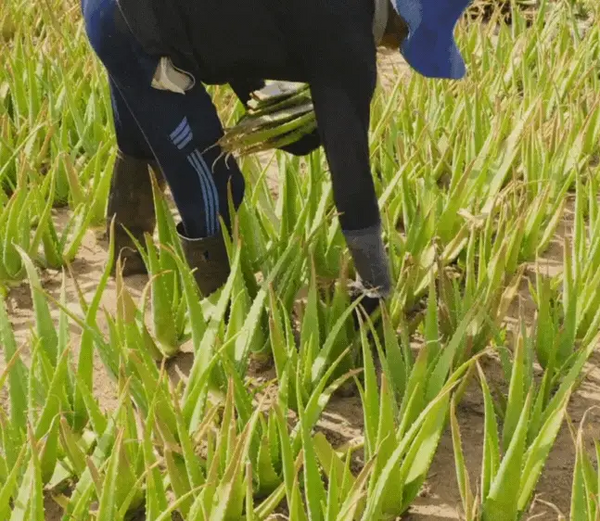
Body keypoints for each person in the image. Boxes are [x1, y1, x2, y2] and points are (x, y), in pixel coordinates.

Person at [81, 0, 472, 305]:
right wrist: (376, 283)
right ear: (403, 25)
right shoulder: (347, 34)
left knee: (141, 139)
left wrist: (265, 98)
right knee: (214, 183)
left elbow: (233, 27)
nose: (394, 50)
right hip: (137, 32)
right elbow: (350, 168)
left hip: (114, 16)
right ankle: (220, 312)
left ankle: (126, 253)